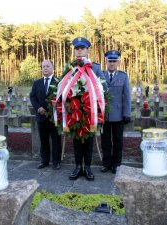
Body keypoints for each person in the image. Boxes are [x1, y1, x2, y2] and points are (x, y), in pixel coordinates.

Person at [68, 37, 106, 181]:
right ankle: (78, 167)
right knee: (76, 141)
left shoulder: (95, 67)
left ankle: (88, 168)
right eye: (77, 48)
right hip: (75, 112)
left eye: (82, 48)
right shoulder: (70, 67)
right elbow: (64, 88)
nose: (79, 51)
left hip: (91, 113)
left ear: (87, 50)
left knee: (89, 141)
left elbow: (104, 89)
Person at [100, 50, 131, 174]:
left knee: (118, 141)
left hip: (118, 115)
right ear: (106, 62)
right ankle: (106, 163)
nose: (112, 64)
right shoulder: (101, 75)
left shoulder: (123, 76)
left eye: (114, 61)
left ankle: (117, 164)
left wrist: (127, 114)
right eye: (110, 61)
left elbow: (127, 96)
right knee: (105, 141)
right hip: (104, 115)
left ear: (118, 62)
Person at [30, 60, 62, 170]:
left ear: (53, 67)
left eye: (48, 66)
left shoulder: (59, 82)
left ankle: (56, 161)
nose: (45, 68)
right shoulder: (37, 83)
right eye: (43, 66)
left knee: (56, 141)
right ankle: (44, 161)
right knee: (43, 140)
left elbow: (62, 97)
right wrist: (38, 107)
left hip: (55, 117)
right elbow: (32, 97)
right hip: (41, 116)